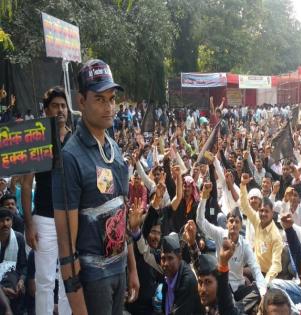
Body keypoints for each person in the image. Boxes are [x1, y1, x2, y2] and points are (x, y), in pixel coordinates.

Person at [52, 59, 139, 315]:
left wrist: (132, 268)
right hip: (92, 279)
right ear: (81, 101)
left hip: (119, 269)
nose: (109, 107)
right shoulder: (70, 158)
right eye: (99, 99)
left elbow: (122, 212)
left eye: (112, 99)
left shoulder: (115, 149)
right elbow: (66, 245)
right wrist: (79, 309)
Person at [21, 86, 72, 315]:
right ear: (46, 110)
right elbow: (25, 184)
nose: (60, 110)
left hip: (71, 222)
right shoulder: (38, 142)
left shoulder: (76, 140)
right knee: (44, 281)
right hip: (44, 219)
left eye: (63, 106)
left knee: (68, 279)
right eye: (55, 106)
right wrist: (29, 224)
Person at [196, 182, 266, 313]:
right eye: (231, 221)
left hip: (238, 289)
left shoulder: (244, 245)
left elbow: (256, 269)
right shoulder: (219, 234)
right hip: (222, 286)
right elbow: (200, 221)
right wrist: (204, 198)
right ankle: (236, 308)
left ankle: (236, 307)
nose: (233, 224)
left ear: (240, 225)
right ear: (226, 223)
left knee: (260, 290)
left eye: (237, 222)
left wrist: (263, 294)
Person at [184, 220, 245, 315]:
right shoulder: (205, 302)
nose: (203, 289)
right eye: (200, 282)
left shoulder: (225, 306)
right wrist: (192, 242)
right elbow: (198, 266)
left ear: (219, 284)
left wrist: (223, 264)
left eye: (208, 282)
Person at [239, 173, 284, 282]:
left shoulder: (276, 236)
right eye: (261, 211)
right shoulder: (257, 221)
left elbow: (276, 265)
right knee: (234, 274)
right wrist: (243, 185)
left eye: (266, 211)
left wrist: (265, 283)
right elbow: (245, 206)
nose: (263, 214)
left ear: (272, 213)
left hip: (266, 275)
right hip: (254, 268)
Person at [160, 233, 201, 314]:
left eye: (170, 258)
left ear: (179, 258)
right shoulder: (168, 274)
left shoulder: (187, 281)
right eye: (163, 259)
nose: (165, 263)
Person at [0, 207, 27, 315]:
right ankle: (8, 310)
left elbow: (23, 265)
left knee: (15, 284)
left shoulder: (19, 238)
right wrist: (2, 289)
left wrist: (21, 281)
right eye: (1, 221)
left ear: (12, 221)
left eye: (8, 220)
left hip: (11, 277)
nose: (5, 224)